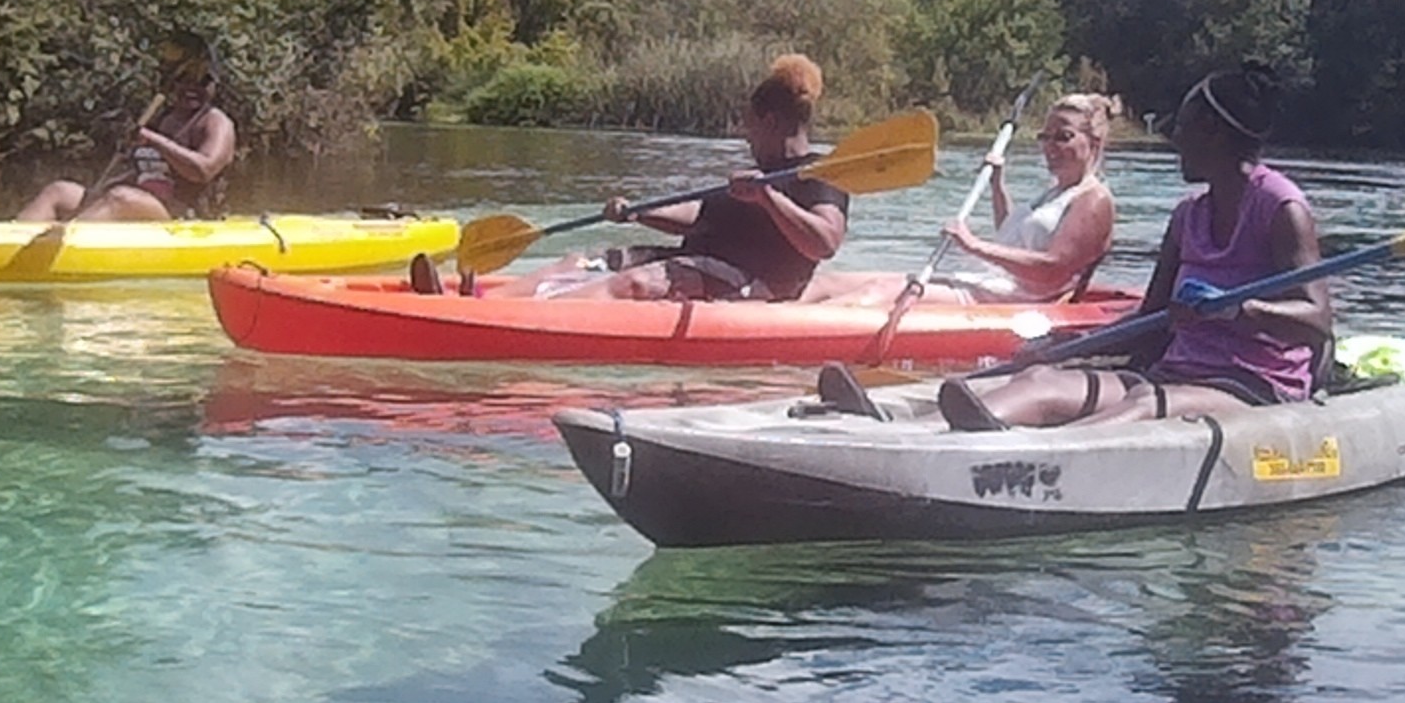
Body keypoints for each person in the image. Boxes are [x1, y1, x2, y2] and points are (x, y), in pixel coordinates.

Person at [822, 62, 1321, 427]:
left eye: (1185, 127)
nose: (1176, 139)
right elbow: (1151, 324)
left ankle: (1045, 458)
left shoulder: (1281, 209)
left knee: (1143, 406)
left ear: (1215, 133)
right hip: (1176, 370)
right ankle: (903, 428)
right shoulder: (1187, 215)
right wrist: (1066, 348)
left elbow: (1317, 324)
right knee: (1039, 381)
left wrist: (1237, 311)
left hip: (1251, 385)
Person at [539, 53, 851, 301]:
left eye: (749, 127)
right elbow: (698, 216)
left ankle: (539, 322)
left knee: (638, 281)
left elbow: (824, 243)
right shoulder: (751, 178)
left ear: (769, 121)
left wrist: (768, 198)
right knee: (585, 262)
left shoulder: (819, 175)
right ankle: (496, 302)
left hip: (756, 281)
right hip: (698, 260)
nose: (747, 139)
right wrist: (638, 212)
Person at [12, 33, 238, 224]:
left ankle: (66, 244)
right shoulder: (161, 117)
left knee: (121, 198)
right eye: (184, 80)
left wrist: (152, 140)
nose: (192, 88)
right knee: (59, 191)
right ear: (172, 83)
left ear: (214, 85)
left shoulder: (216, 122)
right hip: (143, 201)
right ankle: (12, 242)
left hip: (186, 218)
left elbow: (203, 170)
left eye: (203, 81)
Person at [930, 92, 1119, 302]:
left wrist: (974, 245)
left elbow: (1052, 269)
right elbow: (1012, 236)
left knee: (896, 297)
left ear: (1094, 142)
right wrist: (997, 185)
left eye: (1063, 136)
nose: (1049, 145)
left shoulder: (1093, 200)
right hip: (995, 286)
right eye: (1044, 137)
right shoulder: (1054, 193)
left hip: (1023, 302)